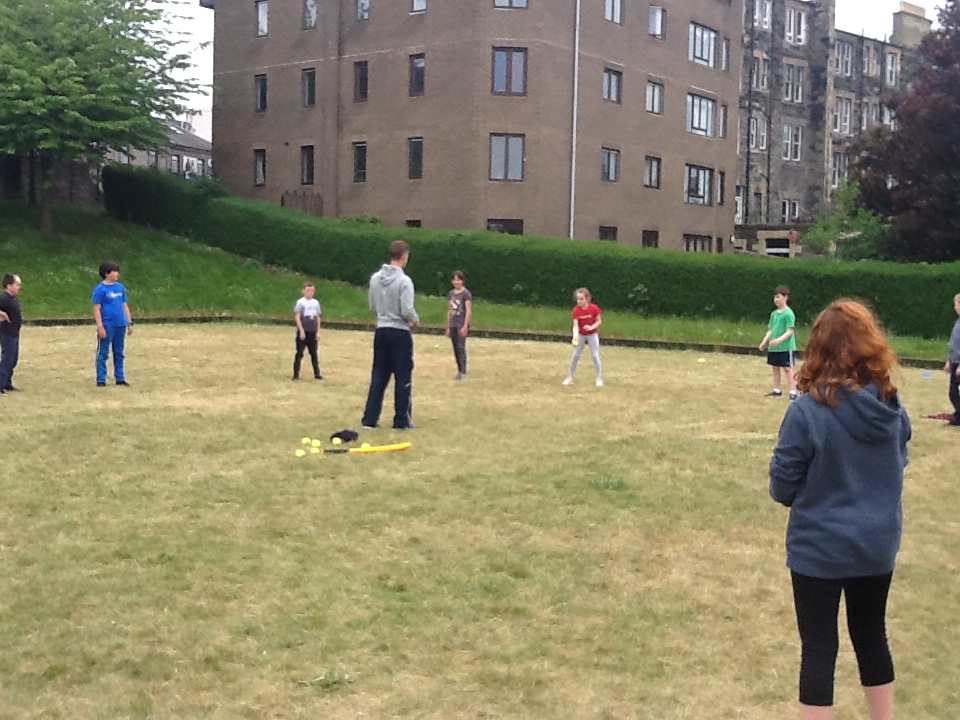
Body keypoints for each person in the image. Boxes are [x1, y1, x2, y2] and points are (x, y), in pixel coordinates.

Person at [769, 299, 911, 720]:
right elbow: (898, 463)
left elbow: (782, 485)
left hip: (820, 548)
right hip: (876, 544)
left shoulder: (807, 412)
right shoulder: (892, 408)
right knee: (872, 637)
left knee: (819, 648)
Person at [361, 240, 419, 430]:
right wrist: (414, 320)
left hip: (381, 329)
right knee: (403, 376)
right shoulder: (404, 281)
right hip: (399, 331)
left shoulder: (375, 278)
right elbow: (406, 309)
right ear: (404, 256)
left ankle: (370, 418)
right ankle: (401, 419)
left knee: (379, 374)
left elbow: (372, 306)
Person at [92, 261, 133, 387]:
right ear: (107, 274)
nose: (117, 274)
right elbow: (97, 309)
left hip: (120, 324)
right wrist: (100, 326)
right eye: (114, 272)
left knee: (119, 352)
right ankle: (101, 379)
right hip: (107, 324)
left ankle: (120, 377)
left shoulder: (120, 287)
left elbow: (124, 305)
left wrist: (129, 322)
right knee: (103, 352)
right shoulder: (100, 289)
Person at [759, 285, 798, 399]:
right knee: (775, 367)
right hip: (774, 347)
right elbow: (771, 330)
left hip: (786, 347)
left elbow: (790, 331)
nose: (776, 299)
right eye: (775, 297)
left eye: (778, 297)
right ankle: (777, 389)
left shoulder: (788, 313)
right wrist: (764, 342)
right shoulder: (774, 314)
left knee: (787, 369)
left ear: (785, 298)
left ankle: (793, 391)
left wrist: (779, 340)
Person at [563, 287, 603, 387]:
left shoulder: (594, 308)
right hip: (581, 335)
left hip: (592, 334)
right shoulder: (576, 310)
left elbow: (599, 321)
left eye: (581, 299)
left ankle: (599, 378)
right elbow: (576, 326)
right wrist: (575, 337)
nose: (579, 301)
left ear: (587, 299)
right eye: (577, 299)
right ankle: (570, 378)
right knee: (575, 356)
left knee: (595, 355)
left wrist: (591, 327)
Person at [445, 270, 472, 381]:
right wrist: (448, 326)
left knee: (461, 347)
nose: (456, 282)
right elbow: (450, 310)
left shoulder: (466, 294)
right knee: (455, 348)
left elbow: (468, 310)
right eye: (455, 280)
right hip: (453, 323)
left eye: (458, 280)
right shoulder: (451, 294)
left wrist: (465, 326)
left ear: (462, 281)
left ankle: (463, 372)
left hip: (461, 323)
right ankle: (459, 371)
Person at [293, 282, 323, 381]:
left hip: (312, 331)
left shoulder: (316, 303)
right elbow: (297, 317)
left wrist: (318, 331)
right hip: (304, 330)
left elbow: (317, 317)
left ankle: (317, 374)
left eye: (312, 291)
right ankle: (296, 375)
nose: (310, 293)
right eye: (308, 290)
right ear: (303, 291)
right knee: (299, 353)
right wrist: (301, 330)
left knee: (314, 354)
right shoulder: (301, 302)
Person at [0, 274, 23, 394]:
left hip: (14, 333)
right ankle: (0, 384)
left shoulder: (13, 299)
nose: (18, 287)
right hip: (7, 333)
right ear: (9, 286)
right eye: (17, 285)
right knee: (7, 359)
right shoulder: (4, 298)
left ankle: (7, 383)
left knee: (13, 359)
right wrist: (2, 314)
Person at [944, 293, 960, 426]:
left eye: (956, 304)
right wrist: (949, 360)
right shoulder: (958, 322)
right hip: (954, 361)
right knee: (953, 392)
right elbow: (953, 343)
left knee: (957, 391)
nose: (955, 307)